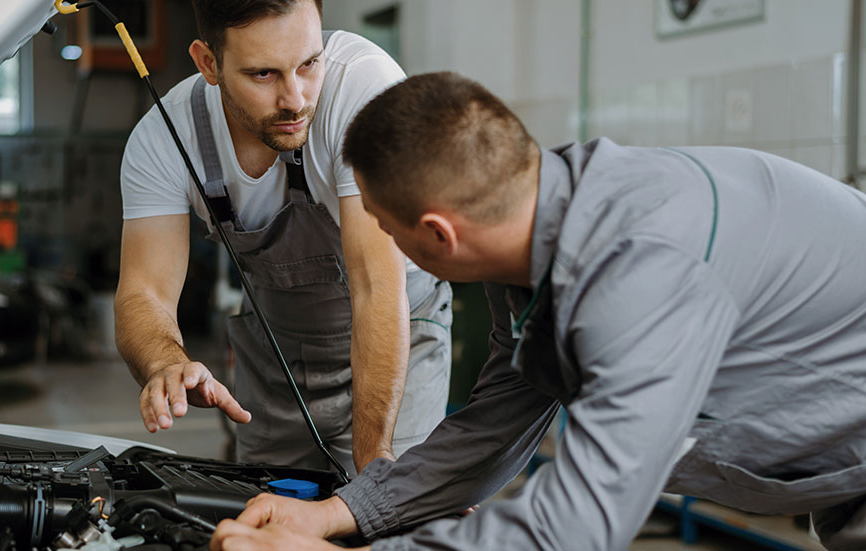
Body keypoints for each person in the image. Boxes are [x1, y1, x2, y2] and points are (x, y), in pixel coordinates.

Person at [209, 71, 866, 551]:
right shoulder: (538, 226)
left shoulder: (638, 272)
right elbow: (495, 424)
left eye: (381, 225)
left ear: (438, 236)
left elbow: (579, 523)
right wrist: (341, 514)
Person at [115, 0, 452, 476]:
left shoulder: (364, 88)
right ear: (208, 63)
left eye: (309, 63)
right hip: (276, 356)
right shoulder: (166, 137)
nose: (295, 98)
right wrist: (164, 361)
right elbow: (143, 291)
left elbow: (377, 288)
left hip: (397, 333)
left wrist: (374, 461)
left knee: (393, 525)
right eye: (263, 74)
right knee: (267, 519)